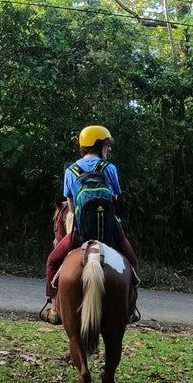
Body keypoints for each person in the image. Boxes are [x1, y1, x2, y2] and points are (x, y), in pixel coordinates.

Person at [41, 125, 139, 325]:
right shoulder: (109, 169)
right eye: (107, 145)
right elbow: (115, 198)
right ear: (100, 145)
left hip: (80, 231)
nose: (108, 149)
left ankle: (53, 307)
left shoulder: (71, 170)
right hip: (111, 229)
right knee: (133, 262)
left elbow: (70, 205)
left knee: (52, 262)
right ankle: (130, 309)